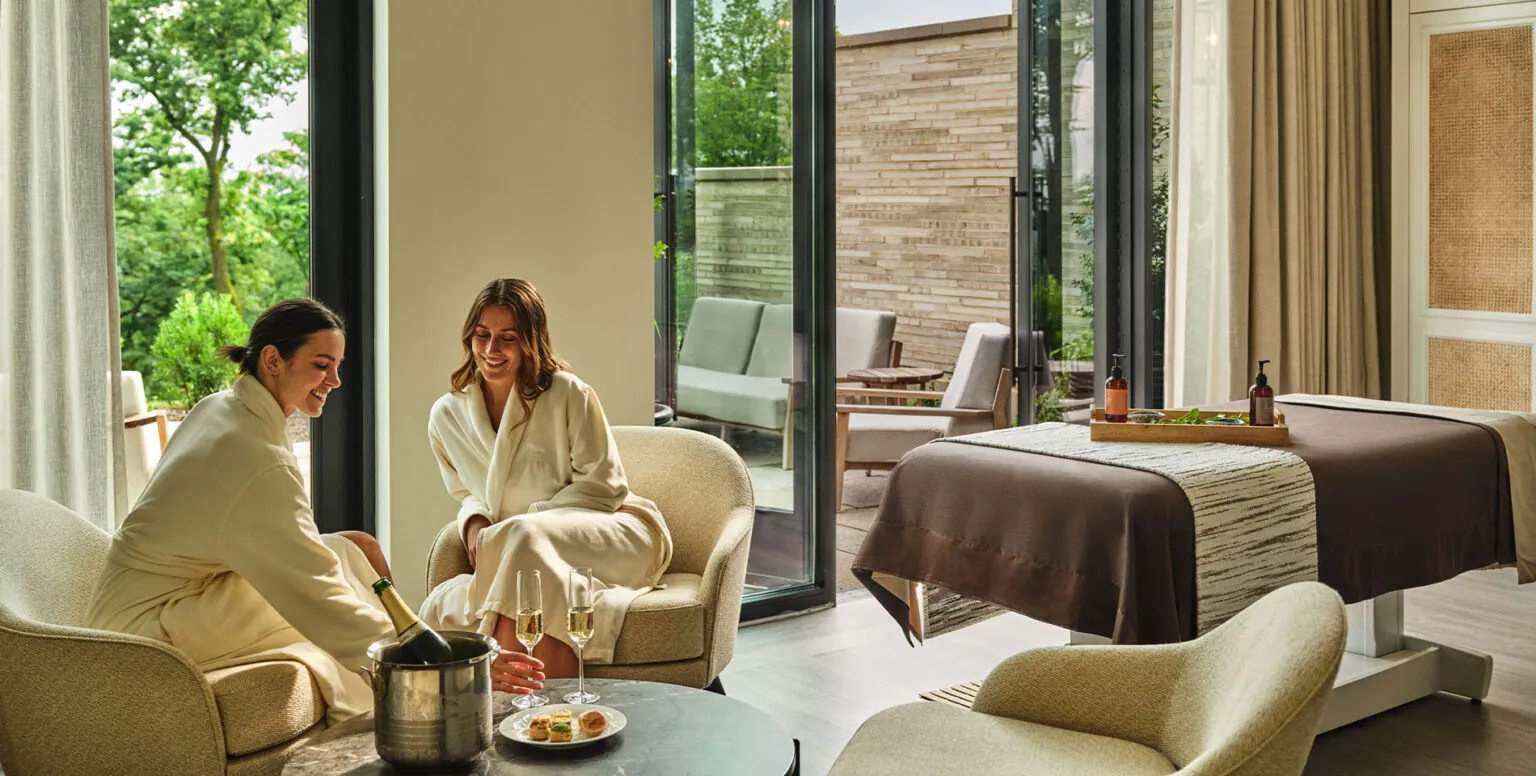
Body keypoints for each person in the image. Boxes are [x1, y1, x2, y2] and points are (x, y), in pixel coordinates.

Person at [85, 298, 545, 723]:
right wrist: (444, 661)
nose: (335, 381)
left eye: (337, 366)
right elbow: (318, 592)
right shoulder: (249, 457)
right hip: (149, 633)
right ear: (272, 360)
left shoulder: (223, 409)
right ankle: (414, 693)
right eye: (321, 365)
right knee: (336, 585)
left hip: (170, 597)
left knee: (353, 550)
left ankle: (413, 667)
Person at [420, 279, 672, 679]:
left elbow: (606, 487)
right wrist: (474, 520)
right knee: (522, 544)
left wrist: (530, 521)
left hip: (613, 535)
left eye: (508, 338)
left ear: (530, 341)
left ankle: (503, 692)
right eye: (482, 335)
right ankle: (545, 705)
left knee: (522, 537)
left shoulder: (568, 393)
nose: (491, 350)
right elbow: (467, 491)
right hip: (519, 551)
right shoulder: (446, 416)